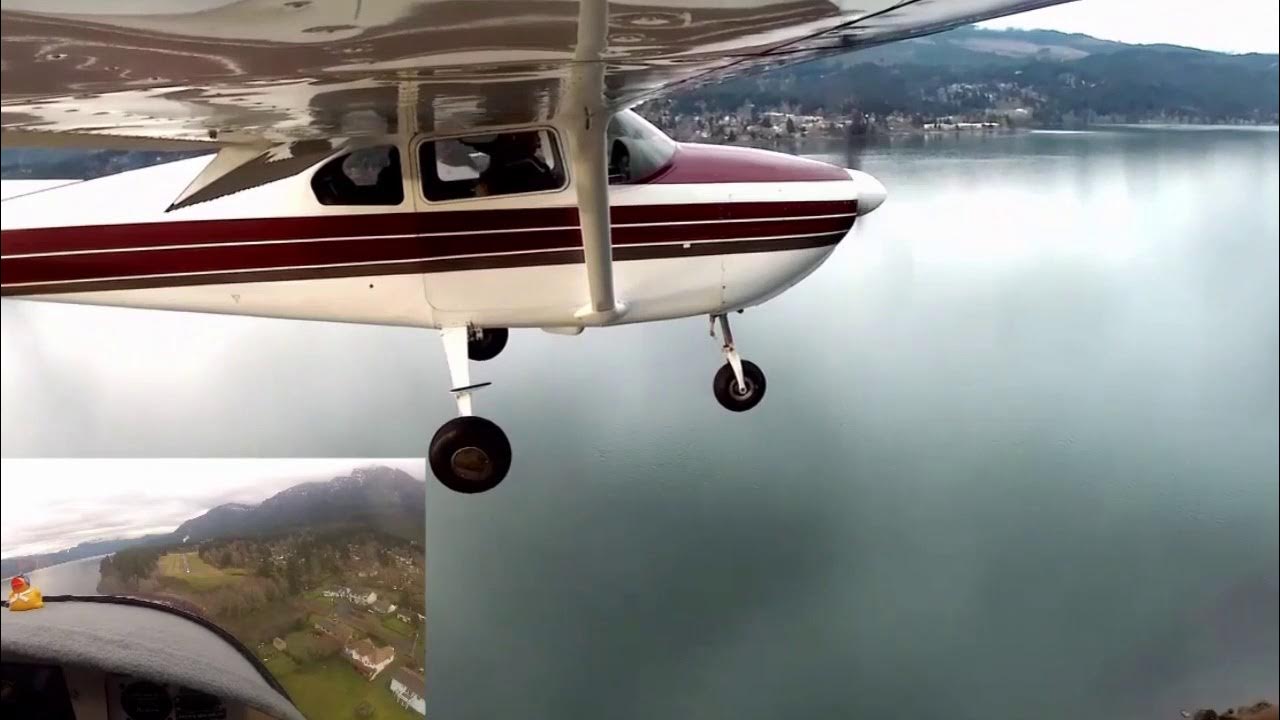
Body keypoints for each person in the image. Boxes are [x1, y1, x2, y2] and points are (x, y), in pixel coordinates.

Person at [475, 133, 558, 197]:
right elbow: (550, 187)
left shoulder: (498, 162)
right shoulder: (530, 163)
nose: (539, 142)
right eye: (536, 136)